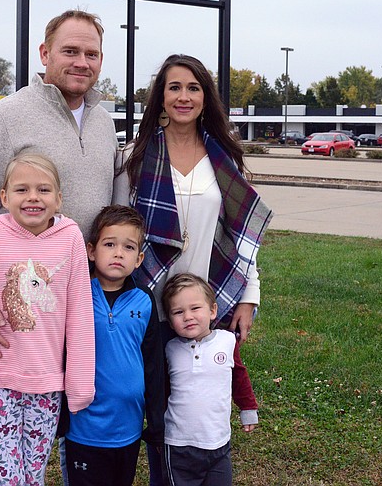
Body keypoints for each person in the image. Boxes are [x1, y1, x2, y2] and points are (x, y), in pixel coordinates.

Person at [0, 9, 117, 485]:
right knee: (7, 427)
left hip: (82, 298)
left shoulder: (104, 122)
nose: (81, 61)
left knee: (59, 413)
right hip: (15, 304)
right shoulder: (4, 117)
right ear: (44, 54)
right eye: (70, 51)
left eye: (91, 53)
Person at [113, 53, 273, 484]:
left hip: (205, 305)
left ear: (206, 96)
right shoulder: (136, 156)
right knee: (158, 411)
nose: (183, 96)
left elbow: (241, 239)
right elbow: (118, 233)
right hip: (145, 305)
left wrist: (249, 296)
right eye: (174, 87)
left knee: (201, 404)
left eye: (193, 88)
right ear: (160, 98)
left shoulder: (223, 159)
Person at [0, 154, 95, 486]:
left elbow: (80, 315)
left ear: (59, 199)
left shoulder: (70, 237)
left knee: (34, 474)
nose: (33, 197)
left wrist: (79, 385)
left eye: (43, 189)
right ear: (4, 197)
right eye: (21, 189)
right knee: (7, 477)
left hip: (47, 384)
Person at [64, 204, 166, 485]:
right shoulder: (77, 292)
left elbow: (153, 363)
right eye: (110, 244)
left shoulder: (144, 300)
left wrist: (156, 420)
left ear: (139, 258)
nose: (119, 253)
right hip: (84, 429)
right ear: (91, 250)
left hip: (128, 430)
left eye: (129, 247)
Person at [161, 273, 258, 485]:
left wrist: (248, 408)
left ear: (212, 310)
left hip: (218, 444)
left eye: (195, 308)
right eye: (178, 312)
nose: (188, 316)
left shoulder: (227, 341)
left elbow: (239, 377)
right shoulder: (170, 349)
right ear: (169, 321)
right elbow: (162, 390)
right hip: (179, 445)